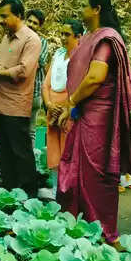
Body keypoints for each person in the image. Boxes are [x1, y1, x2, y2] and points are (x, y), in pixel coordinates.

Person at [55, 0, 131, 244]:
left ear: (96, 9)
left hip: (100, 118)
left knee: (97, 175)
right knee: (75, 169)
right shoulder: (90, 37)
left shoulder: (106, 38)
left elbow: (95, 77)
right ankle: (81, 227)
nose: (80, 9)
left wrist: (71, 102)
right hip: (85, 112)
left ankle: (104, 232)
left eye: (84, 5)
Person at [0, 0, 41, 197]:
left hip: (16, 105)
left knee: (20, 152)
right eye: (1, 16)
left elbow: (23, 70)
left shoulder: (31, 40)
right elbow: (1, 64)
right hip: (0, 103)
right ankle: (11, 191)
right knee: (5, 151)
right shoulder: (6, 38)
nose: (1, 20)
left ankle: (28, 195)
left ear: (19, 15)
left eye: (5, 16)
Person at [42, 19, 84, 196]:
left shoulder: (81, 57)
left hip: (70, 109)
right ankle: (55, 189)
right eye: (62, 34)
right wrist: (50, 105)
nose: (62, 38)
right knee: (53, 149)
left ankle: (69, 190)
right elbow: (46, 85)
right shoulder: (58, 54)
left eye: (67, 34)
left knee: (68, 149)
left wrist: (67, 107)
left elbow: (79, 86)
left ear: (78, 37)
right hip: (52, 108)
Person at [25, 9, 50, 147]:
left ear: (39, 26)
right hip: (16, 94)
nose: (31, 25)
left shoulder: (43, 42)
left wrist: (23, 62)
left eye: (35, 23)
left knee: (31, 131)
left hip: (34, 92)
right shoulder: (18, 38)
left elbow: (40, 62)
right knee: (17, 131)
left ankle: (30, 164)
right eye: (29, 21)